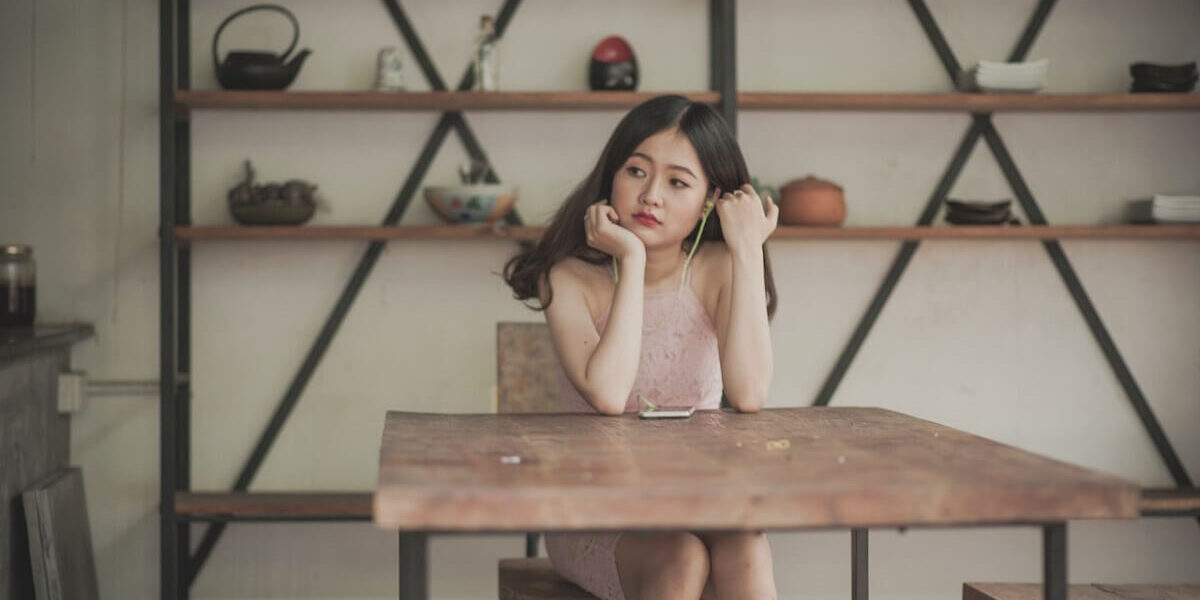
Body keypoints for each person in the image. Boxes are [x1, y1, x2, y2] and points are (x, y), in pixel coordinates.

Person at [502, 94, 778, 600]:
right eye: (636, 171)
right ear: (612, 176)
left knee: (746, 543)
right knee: (680, 557)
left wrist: (747, 250)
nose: (651, 195)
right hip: (596, 509)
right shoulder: (568, 277)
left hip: (696, 495)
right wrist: (629, 259)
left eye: (677, 182)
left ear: (709, 201)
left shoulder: (719, 269)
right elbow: (608, 396)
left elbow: (751, 392)